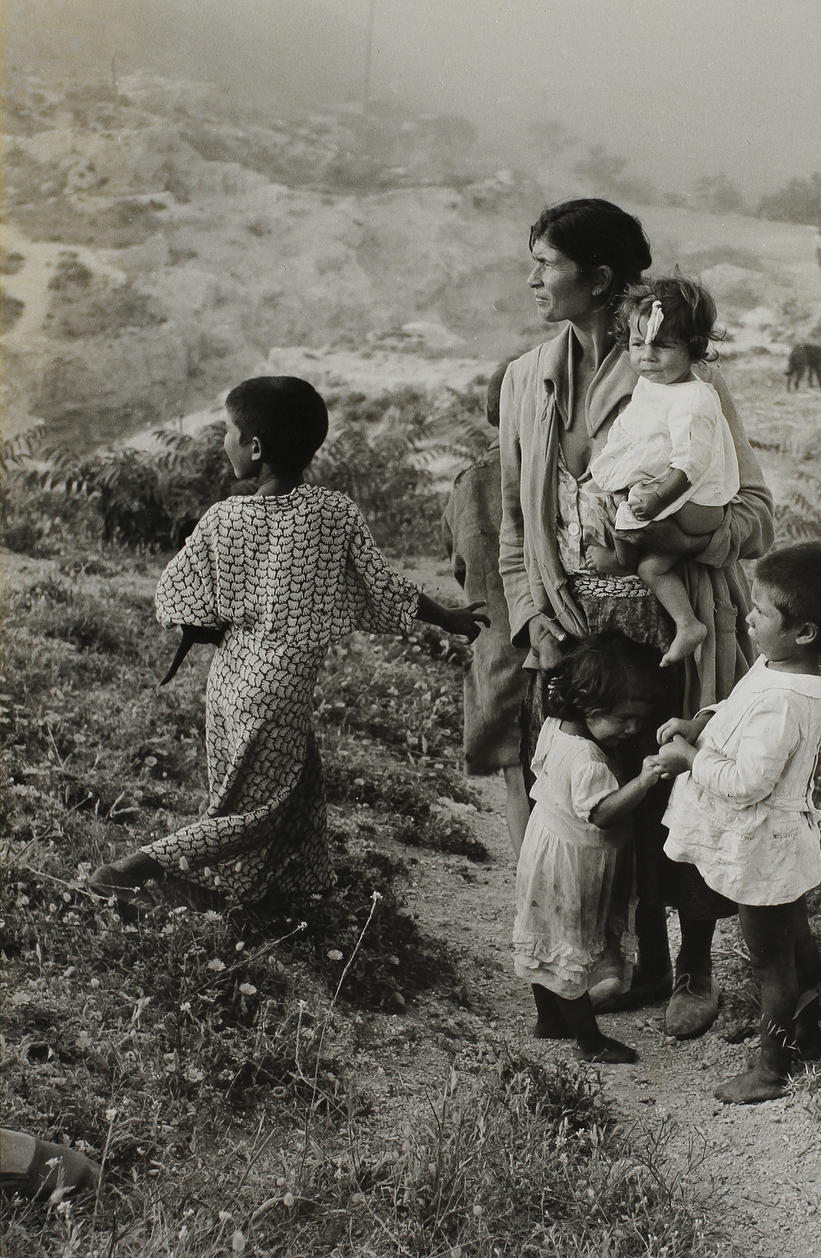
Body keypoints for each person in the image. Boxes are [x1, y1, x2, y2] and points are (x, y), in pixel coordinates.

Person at [499, 198, 774, 1037]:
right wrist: (527, 615)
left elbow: (756, 512)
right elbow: (518, 524)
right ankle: (622, 959)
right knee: (596, 797)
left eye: (545, 261)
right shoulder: (524, 379)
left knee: (679, 789)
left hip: (673, 622)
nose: (532, 276)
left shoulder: (682, 379)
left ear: (601, 278)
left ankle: (689, 967)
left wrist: (685, 534)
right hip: (576, 629)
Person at [89, 376, 488, 908]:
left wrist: (222, 621)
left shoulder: (223, 518)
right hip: (280, 689)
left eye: (228, 433)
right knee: (253, 812)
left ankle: (302, 884)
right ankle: (135, 868)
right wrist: (449, 619)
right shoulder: (333, 513)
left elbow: (174, 595)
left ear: (254, 448)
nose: (223, 443)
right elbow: (386, 587)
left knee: (290, 781)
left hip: (231, 681)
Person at [653, 541, 821, 1102]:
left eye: (762, 611)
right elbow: (737, 706)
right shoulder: (779, 669)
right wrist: (700, 721)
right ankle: (809, 1027)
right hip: (773, 841)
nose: (748, 615)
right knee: (792, 941)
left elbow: (749, 783)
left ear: (804, 632)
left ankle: (772, 1067)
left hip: (761, 843)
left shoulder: (788, 699)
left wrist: (689, 760)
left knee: (771, 957)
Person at [513, 634, 664, 1063]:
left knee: (549, 941)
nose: (633, 729)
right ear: (590, 709)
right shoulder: (588, 760)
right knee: (569, 950)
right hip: (572, 865)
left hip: (546, 850)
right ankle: (590, 1041)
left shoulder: (554, 726)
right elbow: (603, 812)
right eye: (624, 719)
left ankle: (549, 1019)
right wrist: (644, 778)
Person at [585, 276, 740, 667]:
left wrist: (655, 499)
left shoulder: (693, 397)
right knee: (653, 567)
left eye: (662, 346)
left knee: (632, 511)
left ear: (692, 348)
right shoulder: (651, 385)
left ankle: (621, 555)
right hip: (678, 495)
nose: (647, 357)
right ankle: (688, 624)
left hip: (698, 502)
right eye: (638, 345)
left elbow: (689, 464)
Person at [442, 361, 529, 856]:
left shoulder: (468, 482)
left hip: (498, 650)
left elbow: (458, 564)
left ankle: (531, 899)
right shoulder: (556, 473)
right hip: (562, 651)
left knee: (518, 778)